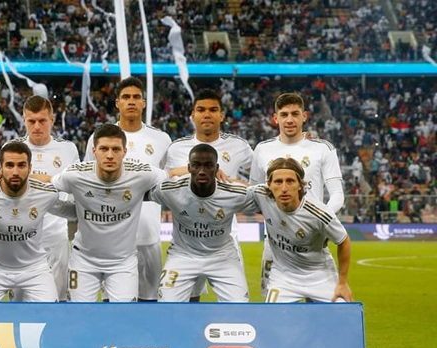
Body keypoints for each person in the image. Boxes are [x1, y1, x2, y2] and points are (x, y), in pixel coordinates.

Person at [51, 124, 167, 302]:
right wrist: (72, 211)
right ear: (94, 151)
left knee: (121, 315)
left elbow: (171, 179)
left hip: (123, 263)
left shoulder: (142, 173)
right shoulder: (74, 175)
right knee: (79, 314)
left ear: (125, 152)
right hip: (83, 260)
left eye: (116, 149)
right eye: (104, 149)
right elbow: (46, 191)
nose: (110, 155)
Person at [83, 77, 172, 301]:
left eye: (136, 97)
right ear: (117, 103)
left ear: (144, 103)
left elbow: (168, 183)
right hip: (110, 240)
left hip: (148, 234)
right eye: (125, 97)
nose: (131, 101)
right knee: (113, 304)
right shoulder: (99, 137)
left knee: (150, 302)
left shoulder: (161, 139)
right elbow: (87, 180)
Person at [250, 92, 344, 295]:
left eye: (295, 114)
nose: (290, 119)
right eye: (284, 114)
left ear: (305, 116)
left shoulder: (323, 148)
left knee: (321, 304)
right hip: (276, 241)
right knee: (273, 304)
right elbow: (254, 194)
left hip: (313, 237)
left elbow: (337, 194)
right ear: (275, 118)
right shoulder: (262, 149)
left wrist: (321, 222)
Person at [165, 88, 253, 301]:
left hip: (225, 237)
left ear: (221, 115)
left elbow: (255, 183)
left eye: (213, 110)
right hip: (186, 238)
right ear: (192, 115)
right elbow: (165, 179)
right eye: (201, 110)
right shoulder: (177, 148)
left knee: (236, 306)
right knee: (186, 300)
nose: (207, 114)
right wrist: (190, 170)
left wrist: (233, 183)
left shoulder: (239, 146)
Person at [0, 141, 72, 302]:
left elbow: (73, 212)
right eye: (9, 165)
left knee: (49, 313)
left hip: (35, 269)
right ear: (0, 168)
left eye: (21, 165)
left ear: (30, 168)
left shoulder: (46, 194)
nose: (15, 172)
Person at [151, 144, 255, 302]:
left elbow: (265, 198)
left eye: (208, 165)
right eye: (196, 165)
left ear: (216, 168)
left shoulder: (234, 193)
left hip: (222, 257)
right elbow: (138, 193)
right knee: (167, 306)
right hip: (182, 255)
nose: (201, 171)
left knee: (238, 306)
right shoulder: (170, 190)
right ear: (189, 168)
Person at [248, 157, 353, 302]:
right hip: (283, 277)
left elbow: (343, 241)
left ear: (300, 185)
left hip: (320, 276)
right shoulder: (260, 195)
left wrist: (342, 283)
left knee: (343, 311)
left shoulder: (319, 214)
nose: (284, 188)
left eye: (290, 181)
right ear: (269, 185)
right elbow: (232, 193)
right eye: (278, 182)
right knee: (272, 314)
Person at [17, 95, 80, 301]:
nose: (37, 126)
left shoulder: (68, 149)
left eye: (42, 120)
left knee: (57, 300)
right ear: (24, 120)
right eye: (31, 121)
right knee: (19, 305)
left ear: (52, 119)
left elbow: (76, 189)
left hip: (55, 237)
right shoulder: (13, 149)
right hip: (19, 238)